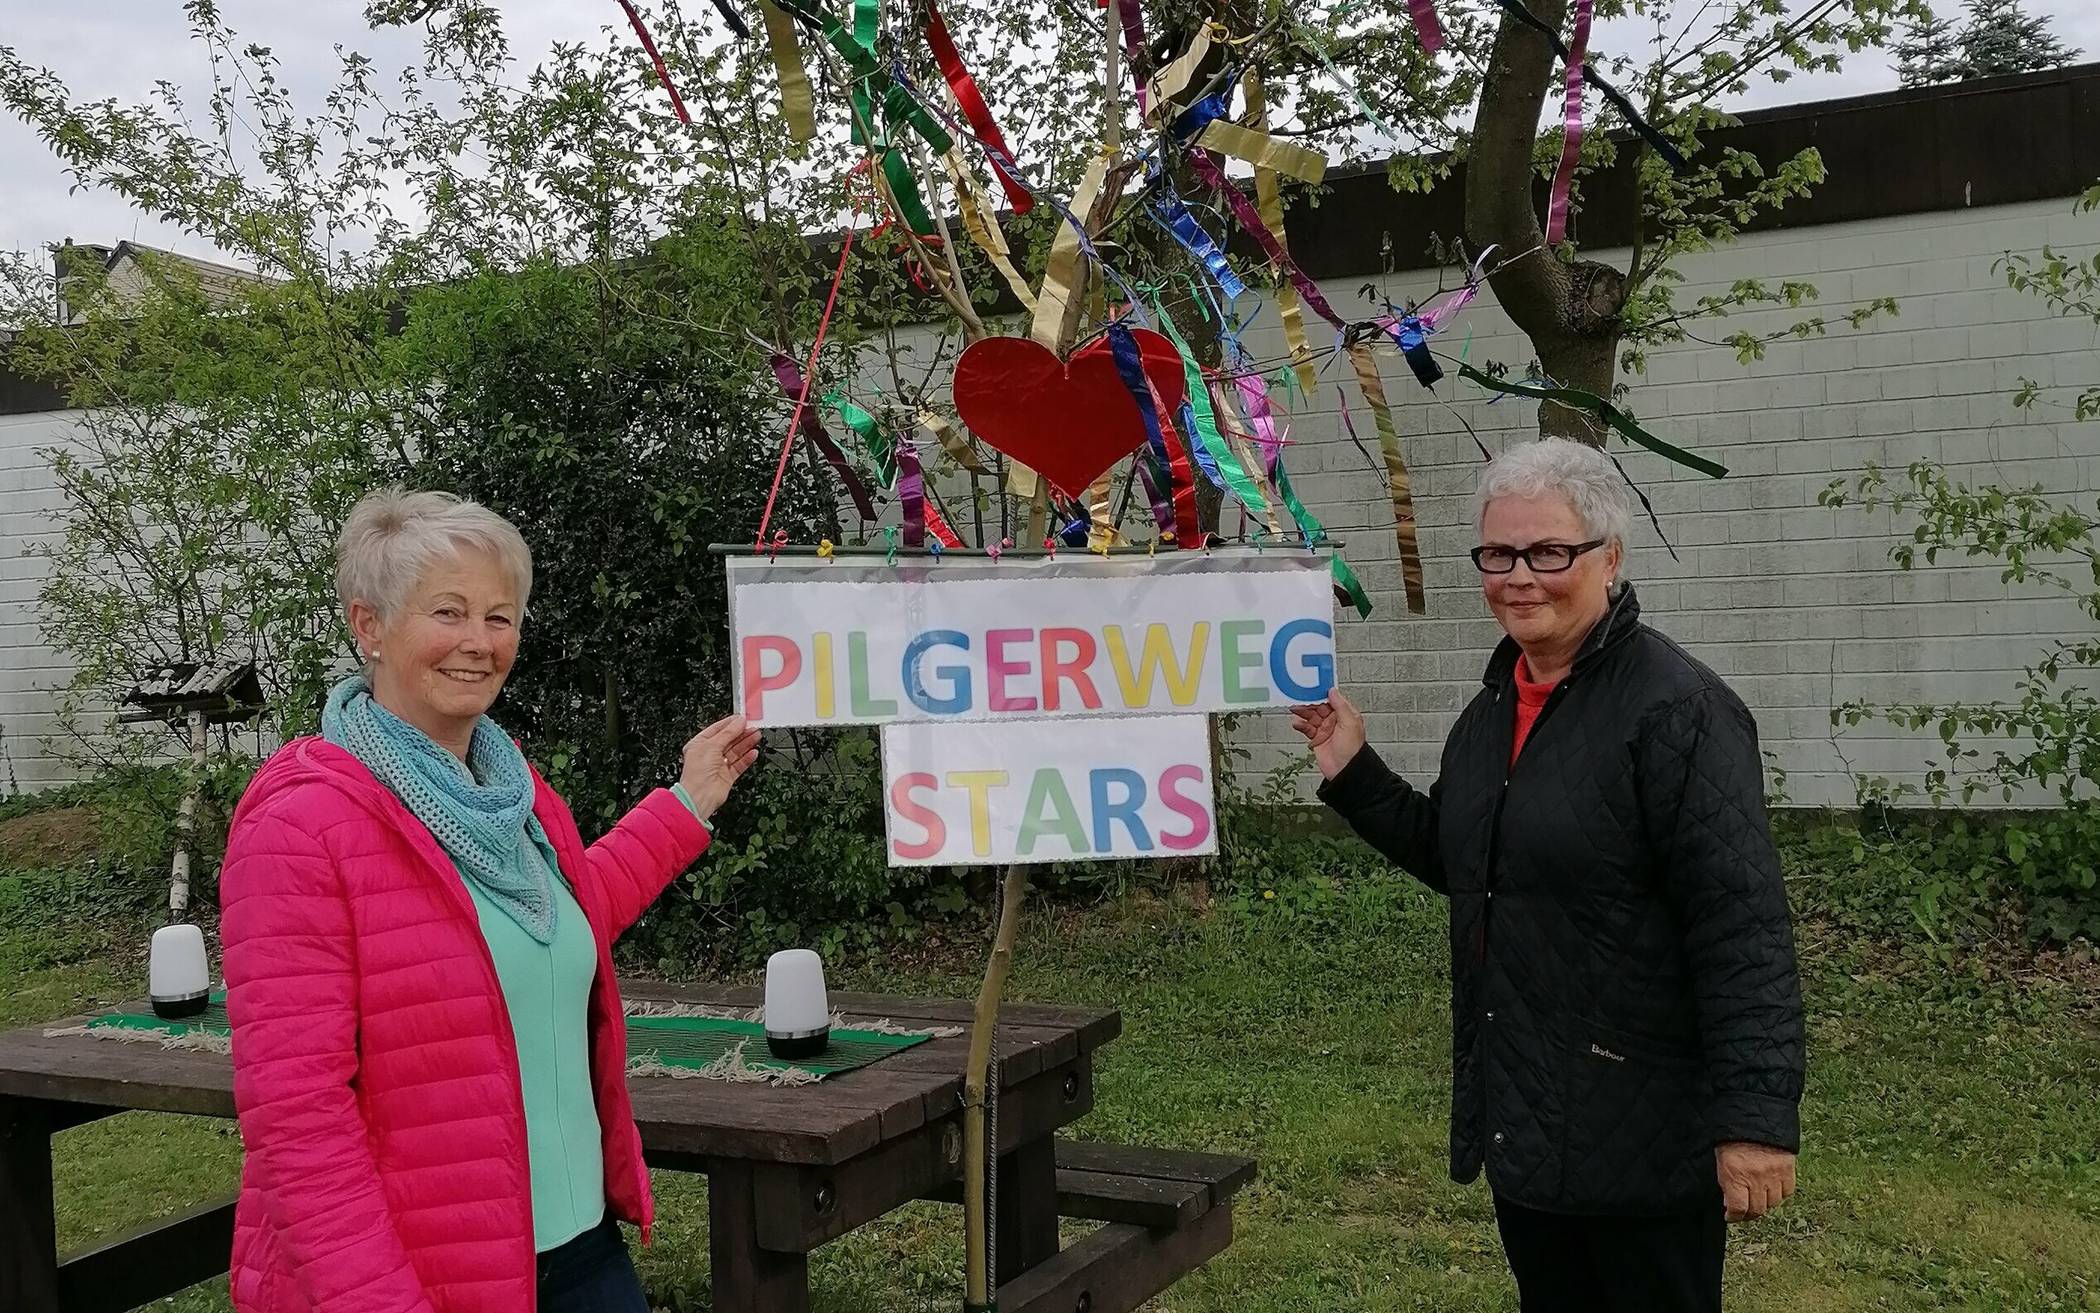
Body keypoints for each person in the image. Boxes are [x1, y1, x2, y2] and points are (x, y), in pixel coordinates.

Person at [1293, 438, 1804, 1313]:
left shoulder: (1680, 710)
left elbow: (1740, 924)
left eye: (1548, 552)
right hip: (1530, 1116)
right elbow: (1467, 863)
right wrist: (1352, 766)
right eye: (1499, 553)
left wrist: (1755, 1118)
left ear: (1610, 557)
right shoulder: (1496, 705)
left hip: (1641, 1132)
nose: (1519, 575)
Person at [221, 487, 760, 1313]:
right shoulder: (302, 823)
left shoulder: (510, 789)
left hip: (580, 1253)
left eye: (499, 616)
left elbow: (557, 921)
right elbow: (299, 1124)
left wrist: (687, 802)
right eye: (450, 612)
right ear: (368, 625)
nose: (478, 643)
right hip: (430, 1279)